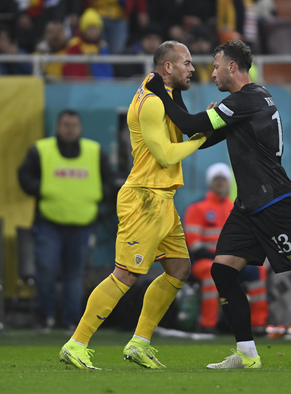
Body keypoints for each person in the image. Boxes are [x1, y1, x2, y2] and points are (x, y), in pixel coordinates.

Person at [145, 40, 291, 370]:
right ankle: (246, 354)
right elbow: (200, 137)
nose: (211, 73)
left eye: (216, 66)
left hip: (274, 203)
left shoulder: (247, 100)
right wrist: (197, 112)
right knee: (223, 271)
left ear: (232, 67)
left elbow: (190, 126)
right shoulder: (250, 99)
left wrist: (162, 92)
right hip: (249, 206)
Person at [59, 40, 207, 370]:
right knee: (125, 274)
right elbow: (165, 154)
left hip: (162, 198)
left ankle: (139, 342)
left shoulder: (162, 93)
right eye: (186, 62)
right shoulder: (152, 103)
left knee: (179, 268)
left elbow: (181, 119)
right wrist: (199, 140)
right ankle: (76, 342)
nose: (192, 68)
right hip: (144, 197)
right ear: (167, 67)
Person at [18, 110, 115, 334]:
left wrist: (97, 194)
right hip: (48, 224)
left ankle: (72, 321)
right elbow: (24, 177)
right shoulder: (41, 150)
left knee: (75, 275)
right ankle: (45, 318)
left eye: (73, 125)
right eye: (65, 124)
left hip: (83, 225)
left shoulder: (95, 152)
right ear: (58, 127)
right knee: (46, 271)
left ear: (80, 128)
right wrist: (43, 189)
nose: (69, 128)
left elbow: (110, 182)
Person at [185, 162, 268, 334]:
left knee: (257, 271)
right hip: (203, 262)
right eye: (217, 179)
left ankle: (258, 324)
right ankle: (208, 325)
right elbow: (194, 243)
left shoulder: (237, 208)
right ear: (210, 182)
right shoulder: (197, 208)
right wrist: (219, 259)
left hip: (233, 261)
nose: (220, 182)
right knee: (211, 271)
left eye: (223, 179)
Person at [63, 8, 114, 80]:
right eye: (89, 28)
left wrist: (93, 64)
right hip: (79, 86)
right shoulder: (75, 45)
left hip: (99, 87)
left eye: (95, 28)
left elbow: (107, 71)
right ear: (83, 30)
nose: (92, 31)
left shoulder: (102, 46)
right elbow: (71, 70)